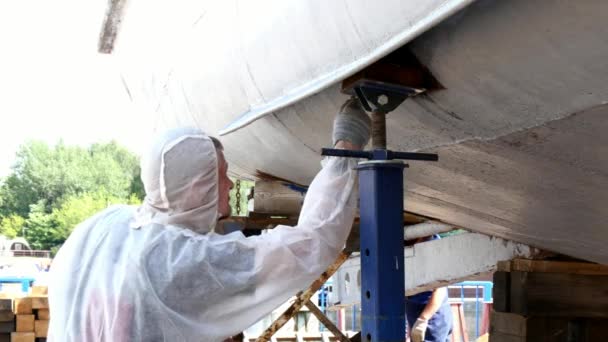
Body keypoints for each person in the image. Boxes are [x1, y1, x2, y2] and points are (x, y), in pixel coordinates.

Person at [47, 98, 371, 342]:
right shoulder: (179, 260)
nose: (230, 185)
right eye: (222, 176)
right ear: (196, 188)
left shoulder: (102, 225)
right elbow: (312, 243)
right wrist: (345, 151)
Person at [406, 236, 453, 342]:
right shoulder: (406, 246)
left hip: (432, 316)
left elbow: (440, 289)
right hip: (415, 310)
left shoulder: (434, 247)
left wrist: (423, 319)